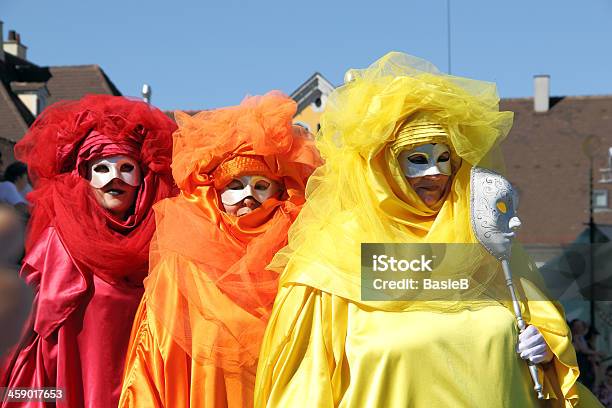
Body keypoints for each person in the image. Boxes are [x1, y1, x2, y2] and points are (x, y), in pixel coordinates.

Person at [254, 53, 603, 407]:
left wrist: (547, 348)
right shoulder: (335, 253)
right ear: (385, 168)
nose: (434, 173)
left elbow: (537, 324)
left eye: (444, 159)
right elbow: (305, 382)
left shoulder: (481, 236)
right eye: (417, 159)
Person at [119, 92, 321, 407]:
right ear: (215, 194)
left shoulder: (301, 255)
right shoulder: (181, 265)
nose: (248, 196)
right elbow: (152, 359)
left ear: (281, 191)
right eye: (235, 185)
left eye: (261, 185)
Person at [1, 95, 176, 408]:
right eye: (101, 168)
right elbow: (33, 342)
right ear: (83, 175)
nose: (115, 178)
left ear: (143, 178)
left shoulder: (166, 239)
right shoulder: (59, 241)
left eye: (126, 167)